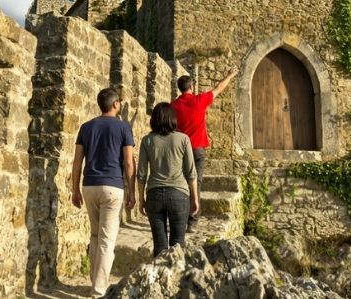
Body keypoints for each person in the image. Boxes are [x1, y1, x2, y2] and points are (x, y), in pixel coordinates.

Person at [71, 88, 136, 297]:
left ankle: (94, 281)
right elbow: (128, 162)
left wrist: (74, 189)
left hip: (89, 186)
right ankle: (98, 291)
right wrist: (132, 191)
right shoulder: (123, 128)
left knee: (96, 235)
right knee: (107, 240)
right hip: (112, 187)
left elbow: (77, 161)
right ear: (115, 104)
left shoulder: (86, 127)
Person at [171, 68, 237, 232]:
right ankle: (192, 221)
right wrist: (229, 75)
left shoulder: (173, 106)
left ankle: (179, 219)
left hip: (180, 151)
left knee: (181, 184)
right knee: (196, 183)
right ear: (191, 86)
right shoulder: (199, 100)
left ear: (179, 88)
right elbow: (219, 88)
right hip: (197, 150)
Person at [137, 102, 199, 257]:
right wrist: (195, 198)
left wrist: (141, 198)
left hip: (154, 195)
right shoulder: (183, 139)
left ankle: (160, 278)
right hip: (179, 194)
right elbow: (191, 172)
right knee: (178, 244)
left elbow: (142, 173)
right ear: (173, 118)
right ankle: (176, 279)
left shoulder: (147, 141)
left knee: (159, 245)